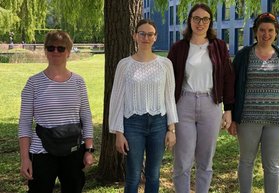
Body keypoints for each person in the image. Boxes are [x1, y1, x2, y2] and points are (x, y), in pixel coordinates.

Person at [228, 12, 279, 193]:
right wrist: (232, 117)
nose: (266, 34)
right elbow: (232, 86)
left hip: (277, 120)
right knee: (246, 161)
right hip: (248, 119)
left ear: (276, 33)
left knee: (273, 165)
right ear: (255, 32)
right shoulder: (244, 55)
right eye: (262, 30)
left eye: (270, 30)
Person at [167, 3, 235, 193]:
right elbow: (169, 81)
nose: (200, 23)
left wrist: (228, 110)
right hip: (184, 104)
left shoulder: (219, 46)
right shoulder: (179, 48)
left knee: (206, 160)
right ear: (190, 21)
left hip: (211, 104)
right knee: (183, 159)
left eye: (205, 19)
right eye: (196, 18)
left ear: (210, 22)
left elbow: (228, 78)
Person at [18, 30, 94, 193]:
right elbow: (24, 124)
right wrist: (25, 159)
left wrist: (88, 150)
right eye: (51, 48)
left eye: (61, 48)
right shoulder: (33, 83)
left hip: (73, 150)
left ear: (68, 52)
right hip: (41, 151)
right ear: (45, 51)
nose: (55, 52)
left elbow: (86, 118)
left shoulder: (78, 82)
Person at [108, 19, 178, 193]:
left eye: (150, 34)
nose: (146, 38)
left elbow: (169, 97)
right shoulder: (124, 65)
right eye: (142, 34)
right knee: (132, 176)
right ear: (135, 36)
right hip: (132, 124)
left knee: (153, 175)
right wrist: (118, 132)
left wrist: (171, 129)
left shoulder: (165, 64)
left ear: (155, 37)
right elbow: (116, 100)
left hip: (159, 124)